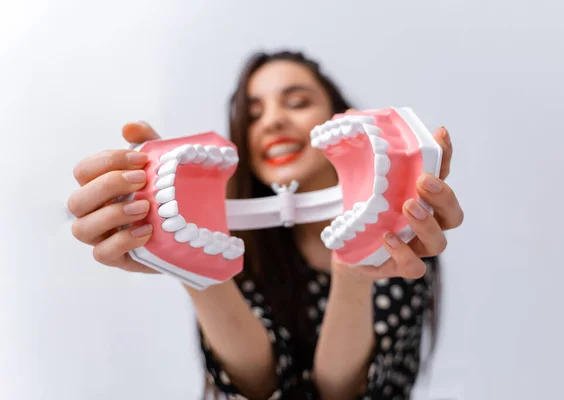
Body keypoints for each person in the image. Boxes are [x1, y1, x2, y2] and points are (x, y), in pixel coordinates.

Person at [67, 50, 463, 400]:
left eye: (297, 101)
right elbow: (260, 388)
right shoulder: (237, 251)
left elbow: (339, 394)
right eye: (253, 114)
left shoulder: (400, 246)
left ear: (338, 119)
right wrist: (192, 262)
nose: (272, 121)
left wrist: (353, 273)